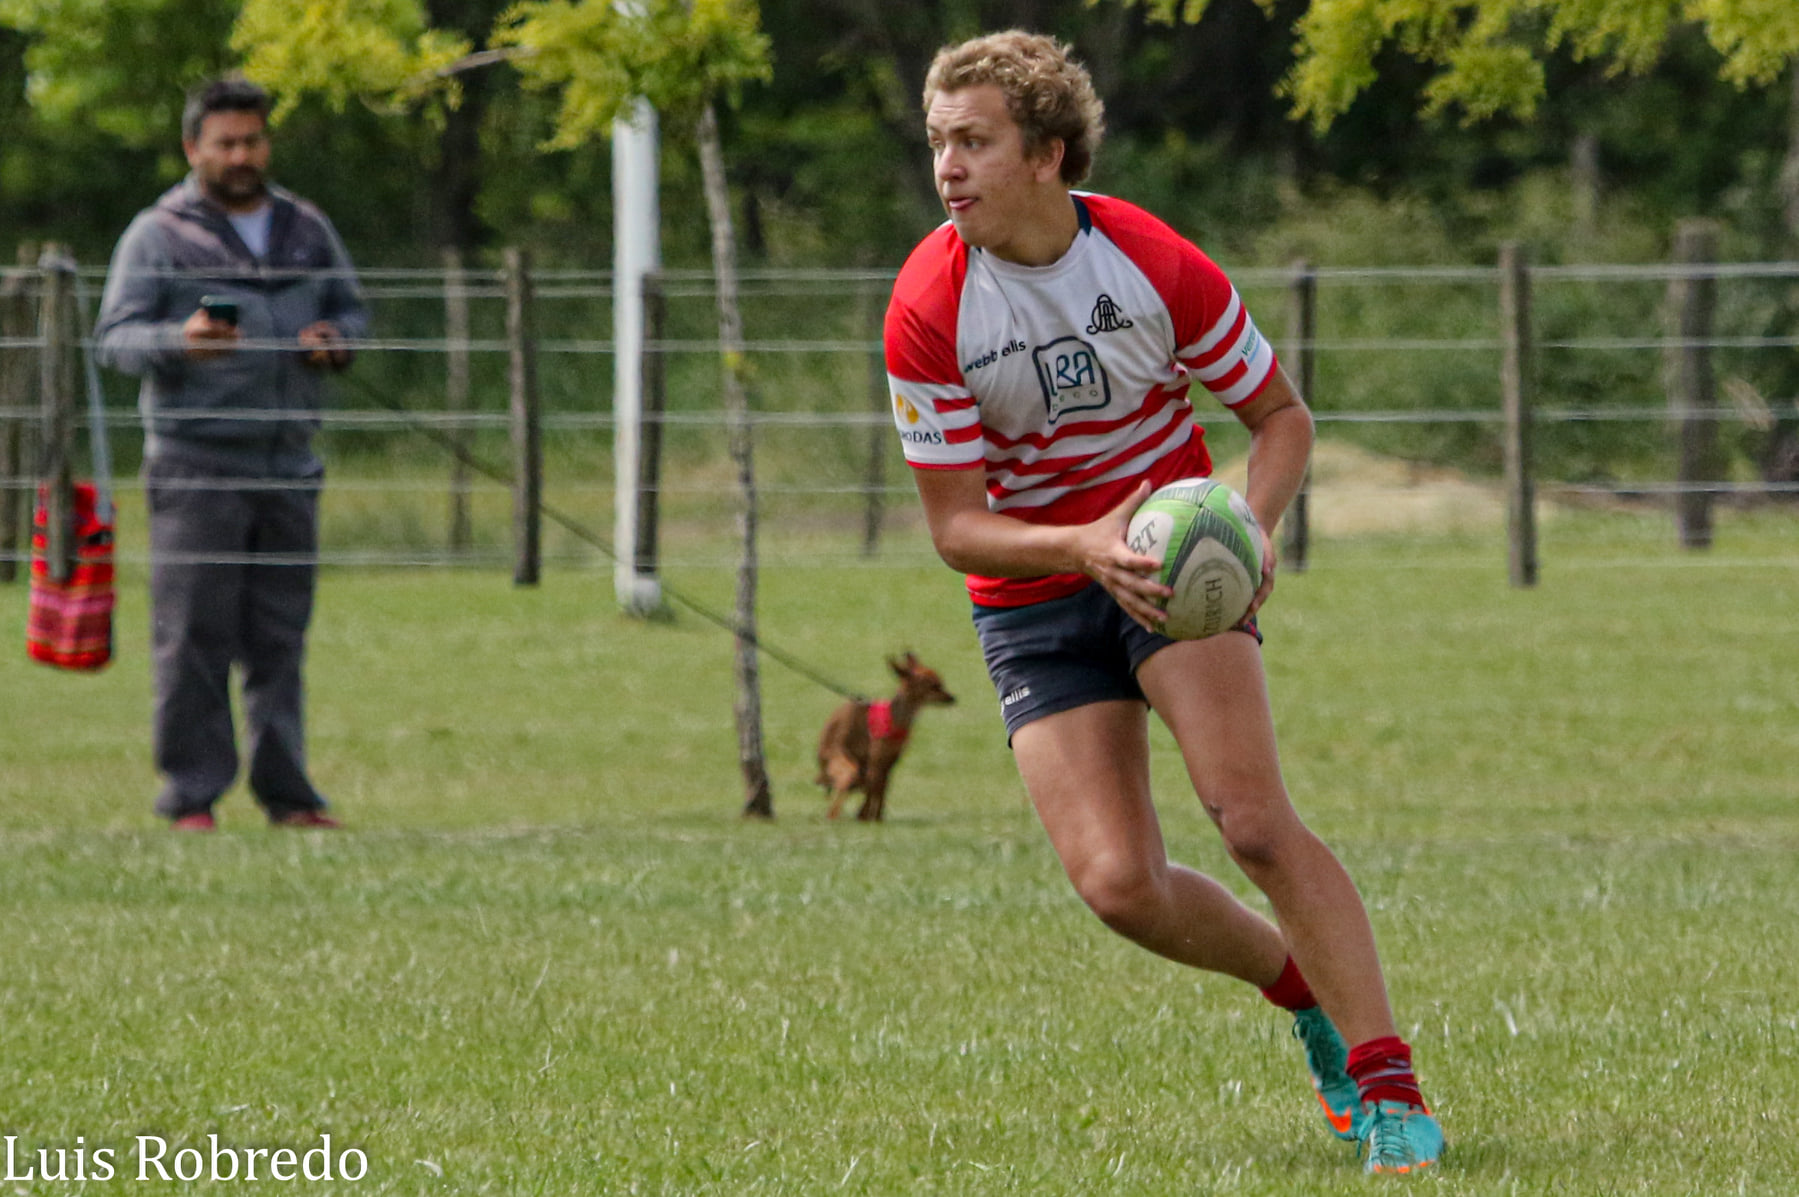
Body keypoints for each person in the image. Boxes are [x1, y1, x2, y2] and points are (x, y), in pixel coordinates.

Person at [884, 31, 1445, 1173]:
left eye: (972, 141)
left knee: (1248, 822)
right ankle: (1303, 999)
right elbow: (953, 528)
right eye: (938, 141)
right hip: (1035, 588)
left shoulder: (1143, 257)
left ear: (1045, 153)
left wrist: (1255, 526)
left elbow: (1279, 417)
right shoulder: (926, 302)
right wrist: (1078, 546)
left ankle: (1390, 1084)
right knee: (1118, 888)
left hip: (1172, 571)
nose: (947, 166)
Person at [97, 77, 368, 832]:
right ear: (193, 148)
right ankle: (191, 795)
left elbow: (350, 309)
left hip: (290, 459)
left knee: (281, 636)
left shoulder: (306, 227)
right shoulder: (158, 233)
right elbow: (113, 339)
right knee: (193, 636)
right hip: (195, 462)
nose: (242, 154)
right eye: (226, 142)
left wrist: (334, 342)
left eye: (253, 139)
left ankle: (289, 793)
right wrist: (180, 342)